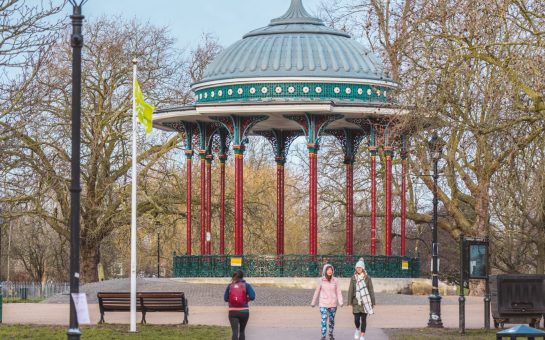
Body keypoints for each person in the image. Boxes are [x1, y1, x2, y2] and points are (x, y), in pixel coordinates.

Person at [311, 264, 343, 340]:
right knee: (324, 319)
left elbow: (338, 292)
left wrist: (340, 301)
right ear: (325, 271)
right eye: (328, 270)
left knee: (331, 321)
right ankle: (323, 336)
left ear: (332, 271)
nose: (329, 271)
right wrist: (313, 302)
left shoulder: (335, 280)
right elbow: (317, 291)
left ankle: (330, 334)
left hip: (333, 304)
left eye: (331, 270)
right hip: (323, 303)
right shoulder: (321, 280)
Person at [347, 258, 375, 340]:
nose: (358, 269)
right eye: (357, 267)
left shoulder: (368, 278)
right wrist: (349, 302)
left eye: (360, 267)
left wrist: (373, 301)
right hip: (356, 301)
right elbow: (350, 290)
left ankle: (362, 335)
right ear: (356, 268)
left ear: (363, 268)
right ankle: (357, 329)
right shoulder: (353, 278)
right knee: (356, 319)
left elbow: (371, 290)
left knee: (363, 319)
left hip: (365, 302)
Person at [224, 269, 256, 340]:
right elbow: (252, 297)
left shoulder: (230, 286)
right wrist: (247, 299)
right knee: (242, 331)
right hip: (244, 311)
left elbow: (225, 298)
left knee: (235, 332)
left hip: (233, 311)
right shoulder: (247, 285)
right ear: (242, 276)